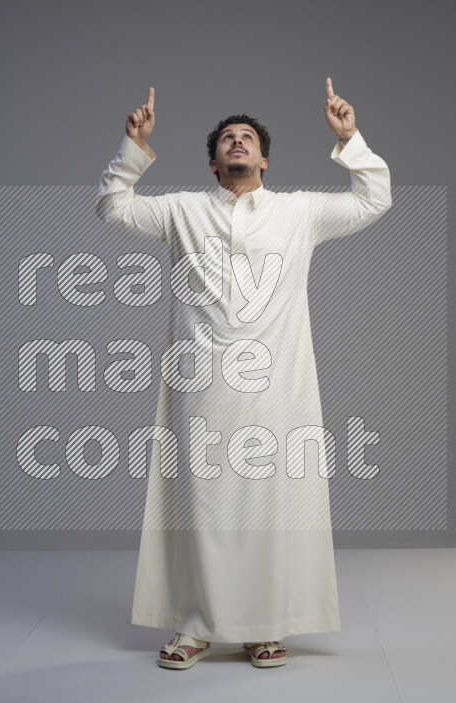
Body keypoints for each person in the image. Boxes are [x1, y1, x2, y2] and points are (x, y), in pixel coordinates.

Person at [95, 78, 391, 669]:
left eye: (247, 138)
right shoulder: (182, 210)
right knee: (200, 506)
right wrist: (133, 148)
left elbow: (372, 199)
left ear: (263, 158)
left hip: (278, 386)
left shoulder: (298, 212)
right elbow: (112, 207)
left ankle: (265, 626)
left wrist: (349, 137)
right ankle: (195, 626)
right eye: (228, 138)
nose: (237, 142)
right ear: (212, 161)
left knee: (272, 504)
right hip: (200, 384)